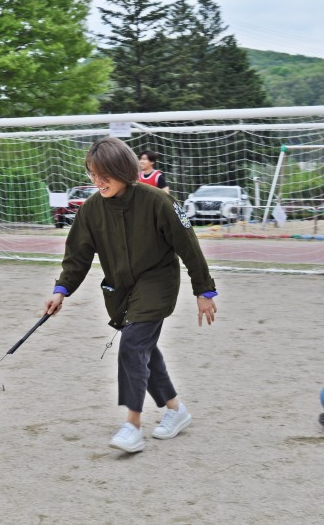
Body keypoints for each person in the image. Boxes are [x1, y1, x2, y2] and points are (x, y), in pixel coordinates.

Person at [44, 137, 217, 453]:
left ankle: (132, 426)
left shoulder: (158, 201)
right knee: (144, 349)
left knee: (133, 345)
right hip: (121, 289)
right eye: (93, 174)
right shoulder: (91, 210)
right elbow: (77, 256)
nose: (98, 181)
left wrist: (203, 289)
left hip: (158, 282)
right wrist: (61, 290)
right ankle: (176, 410)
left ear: (123, 169)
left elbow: (189, 246)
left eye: (104, 174)